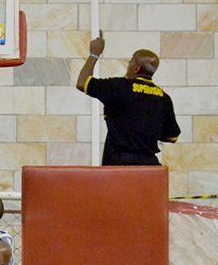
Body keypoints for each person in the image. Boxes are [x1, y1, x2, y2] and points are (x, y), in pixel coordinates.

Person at [76, 30, 181, 166]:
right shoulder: (164, 98)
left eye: (130, 61)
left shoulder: (118, 87)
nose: (128, 64)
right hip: (149, 167)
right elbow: (172, 136)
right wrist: (147, 128)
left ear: (136, 68)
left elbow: (82, 82)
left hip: (118, 166)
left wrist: (94, 53)